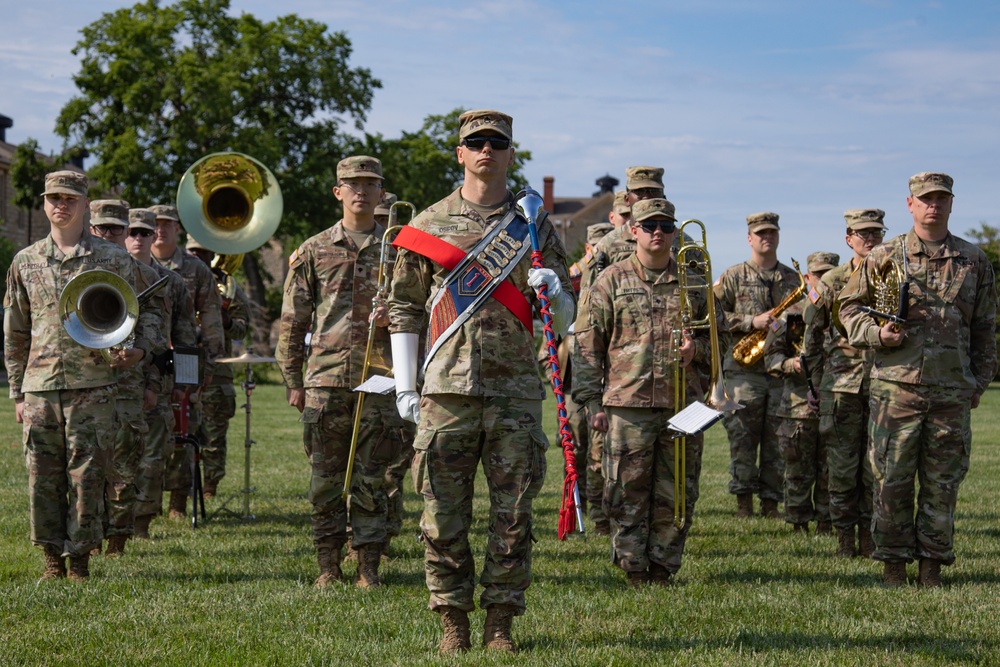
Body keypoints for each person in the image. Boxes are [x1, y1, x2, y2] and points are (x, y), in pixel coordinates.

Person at [388, 109, 574, 654]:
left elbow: (563, 317)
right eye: (476, 142)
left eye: (497, 142)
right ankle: (452, 620)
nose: (486, 151)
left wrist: (556, 293)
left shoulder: (533, 224)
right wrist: (404, 385)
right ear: (460, 153)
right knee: (442, 514)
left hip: (515, 391)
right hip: (445, 392)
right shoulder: (428, 224)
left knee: (513, 514)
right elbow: (403, 309)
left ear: (511, 153)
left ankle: (500, 623)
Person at [838, 172, 997, 587]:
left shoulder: (973, 260)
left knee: (943, 483)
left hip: (951, 392)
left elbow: (985, 328)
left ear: (951, 203)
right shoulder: (884, 256)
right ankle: (893, 565)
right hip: (896, 389)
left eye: (941, 198)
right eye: (925, 198)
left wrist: (978, 383)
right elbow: (849, 310)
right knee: (891, 480)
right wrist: (877, 334)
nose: (934, 205)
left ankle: (931, 567)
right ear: (910, 204)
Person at [4, 170, 156, 581]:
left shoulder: (114, 258)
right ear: (44, 203)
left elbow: (150, 311)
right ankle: (52, 559)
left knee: (88, 477)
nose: (61, 205)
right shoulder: (26, 260)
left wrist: (140, 349)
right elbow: (15, 330)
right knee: (42, 476)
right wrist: (18, 391)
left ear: (85, 204)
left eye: (70, 198)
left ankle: (82, 560)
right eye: (54, 197)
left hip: (94, 384)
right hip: (39, 387)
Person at [574, 197, 717, 587]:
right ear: (633, 230)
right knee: (626, 489)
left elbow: (718, 342)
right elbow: (588, 345)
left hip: (683, 402)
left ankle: (664, 568)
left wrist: (697, 351)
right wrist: (590, 402)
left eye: (666, 226)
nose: (658, 232)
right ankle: (633, 568)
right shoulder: (611, 280)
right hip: (627, 404)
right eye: (650, 225)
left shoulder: (694, 282)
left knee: (678, 491)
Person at [276, 155, 402, 590]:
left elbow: (422, 311)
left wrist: (397, 318)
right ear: (338, 192)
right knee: (325, 481)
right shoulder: (314, 249)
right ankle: (328, 566)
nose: (361, 192)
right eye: (353, 184)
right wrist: (293, 380)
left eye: (370, 184)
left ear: (381, 192)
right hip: (326, 380)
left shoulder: (399, 249)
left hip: (381, 376)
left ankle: (368, 567)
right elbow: (293, 321)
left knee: (372, 478)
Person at [801, 209, 885, 557]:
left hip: (883, 384)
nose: (870, 239)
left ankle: (869, 537)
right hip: (841, 388)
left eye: (876, 233)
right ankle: (844, 539)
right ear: (848, 238)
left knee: (875, 468)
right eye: (862, 233)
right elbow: (812, 336)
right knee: (842, 468)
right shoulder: (832, 281)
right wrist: (815, 384)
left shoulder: (893, 275)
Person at [88, 200, 166, 556]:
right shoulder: (80, 272)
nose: (109, 234)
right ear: (91, 229)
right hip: (85, 380)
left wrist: (150, 380)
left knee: (124, 464)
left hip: (130, 383)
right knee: (87, 464)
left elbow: (156, 331)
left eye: (116, 228)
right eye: (102, 228)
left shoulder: (148, 278)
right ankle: (85, 534)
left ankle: (118, 538)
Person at [714, 212, 801, 518]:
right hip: (743, 372)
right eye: (761, 233)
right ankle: (743, 504)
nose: (767, 237)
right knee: (742, 439)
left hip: (780, 372)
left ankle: (771, 504)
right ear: (749, 239)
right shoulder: (734, 275)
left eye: (772, 232)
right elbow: (714, 315)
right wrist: (752, 320)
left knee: (778, 440)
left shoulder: (793, 279)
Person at [126, 208, 198, 538]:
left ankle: (141, 523)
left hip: (158, 376)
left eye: (145, 232)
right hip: (113, 378)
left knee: (154, 453)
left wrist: (186, 382)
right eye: (132, 232)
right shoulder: (106, 274)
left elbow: (185, 334)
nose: (138, 238)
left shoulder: (174, 283)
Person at [150, 204, 225, 517]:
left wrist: (210, 362)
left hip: (185, 356)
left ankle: (178, 502)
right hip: (149, 359)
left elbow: (211, 317)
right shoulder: (132, 264)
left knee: (185, 424)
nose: (160, 230)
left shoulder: (195, 269)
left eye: (167, 224)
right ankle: (144, 503)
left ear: (177, 229)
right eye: (154, 224)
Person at [765, 251, 837, 535]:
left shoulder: (844, 313)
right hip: (797, 408)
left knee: (830, 470)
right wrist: (791, 364)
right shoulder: (789, 316)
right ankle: (797, 522)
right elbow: (770, 359)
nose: (824, 281)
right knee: (797, 470)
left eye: (829, 274)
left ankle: (826, 522)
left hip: (833, 404)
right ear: (807, 278)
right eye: (818, 275)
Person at [185, 237, 251, 498]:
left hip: (218, 370)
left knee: (213, 435)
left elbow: (242, 329)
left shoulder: (229, 287)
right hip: (185, 366)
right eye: (193, 252)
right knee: (184, 431)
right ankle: (184, 488)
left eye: (203, 252)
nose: (198, 257)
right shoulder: (177, 279)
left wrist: (224, 321)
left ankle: (210, 486)